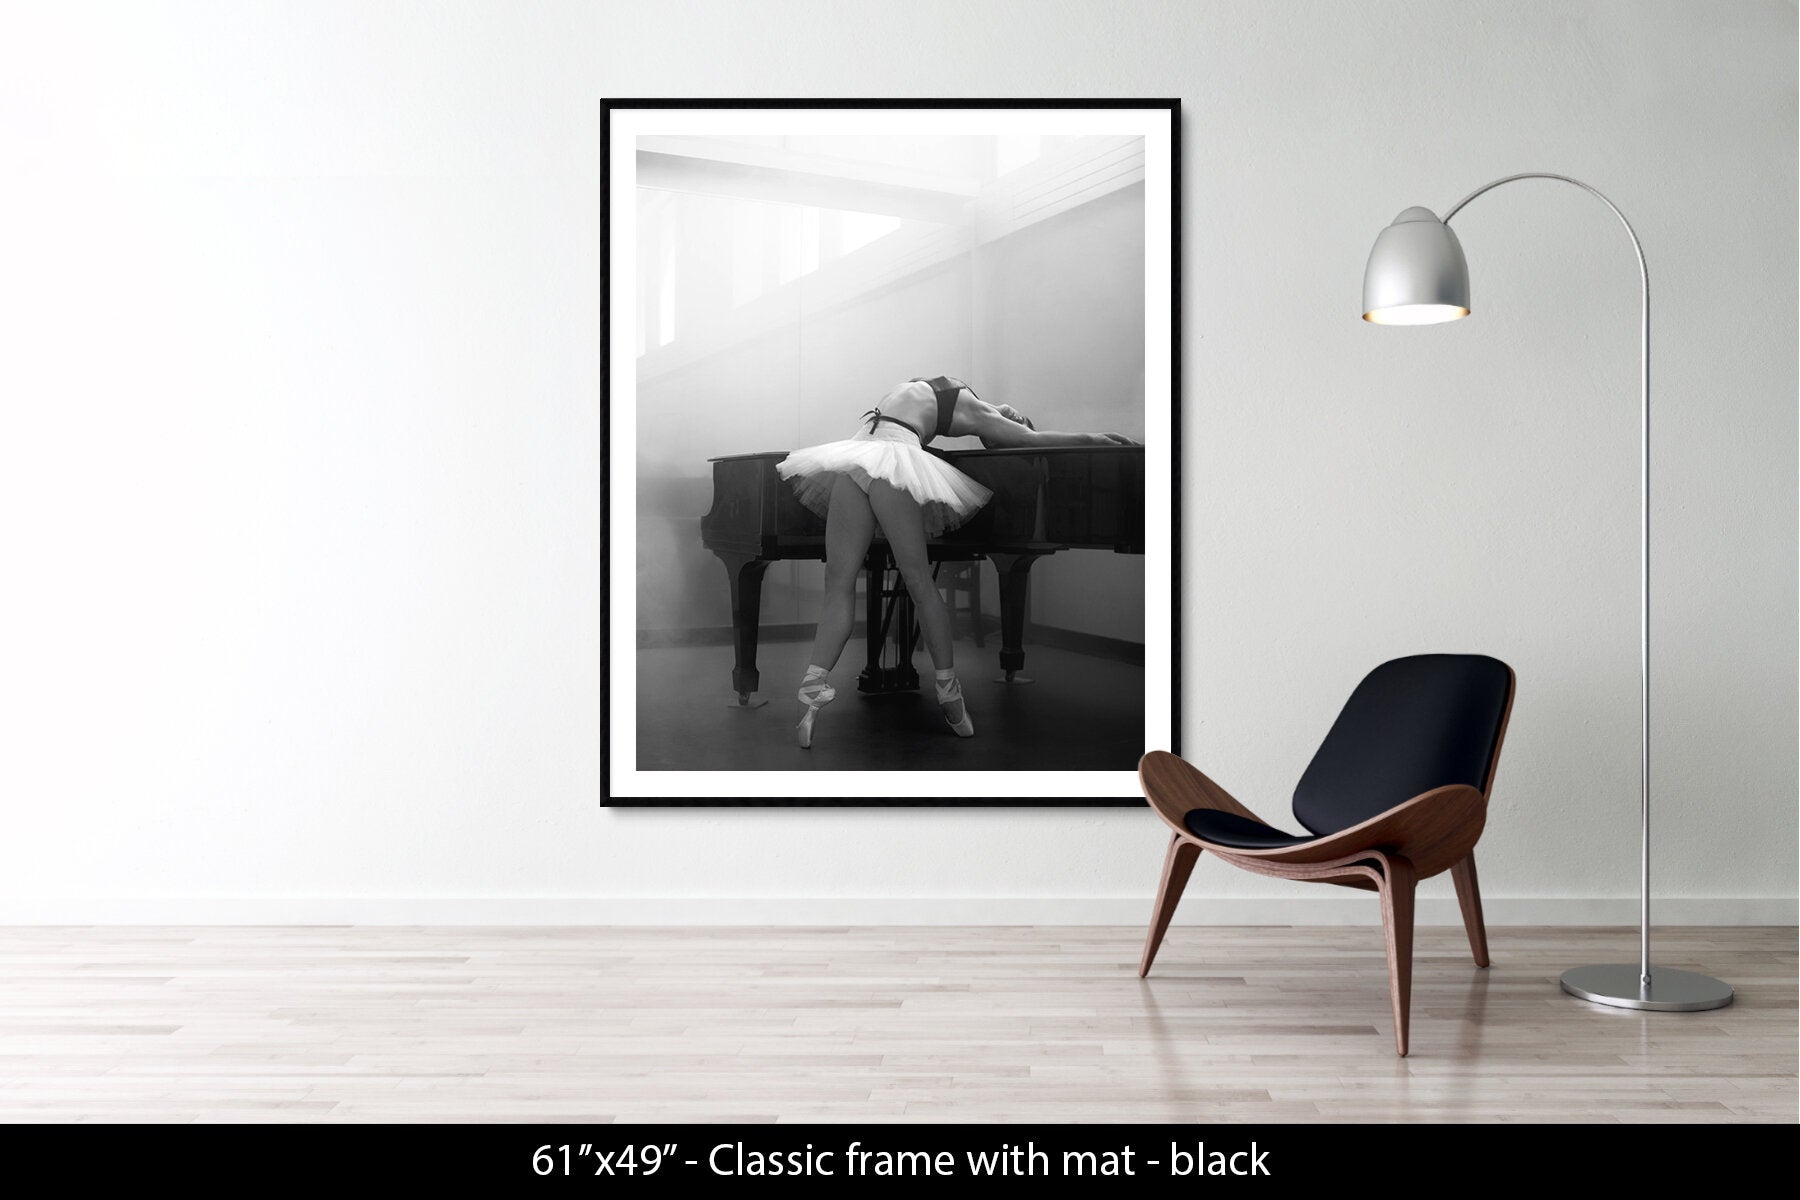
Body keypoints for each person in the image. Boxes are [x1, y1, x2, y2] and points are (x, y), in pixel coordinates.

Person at [776, 375, 1138, 748]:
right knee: (907, 581)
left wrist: (1090, 438)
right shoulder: (971, 405)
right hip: (877, 456)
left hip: (861, 455)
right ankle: (947, 694)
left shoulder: (975, 411)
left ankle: (814, 702)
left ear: (997, 432)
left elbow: (1030, 439)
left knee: (855, 582)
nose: (1015, 417)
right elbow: (1019, 430)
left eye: (1012, 422)